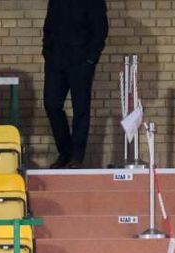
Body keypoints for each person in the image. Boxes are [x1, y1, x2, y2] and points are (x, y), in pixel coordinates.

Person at [42, 0, 108, 168]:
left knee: (81, 109)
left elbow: (100, 29)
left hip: (81, 63)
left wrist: (90, 60)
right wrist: (47, 51)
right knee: (51, 104)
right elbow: (49, 25)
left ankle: (76, 157)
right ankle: (65, 152)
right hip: (55, 61)